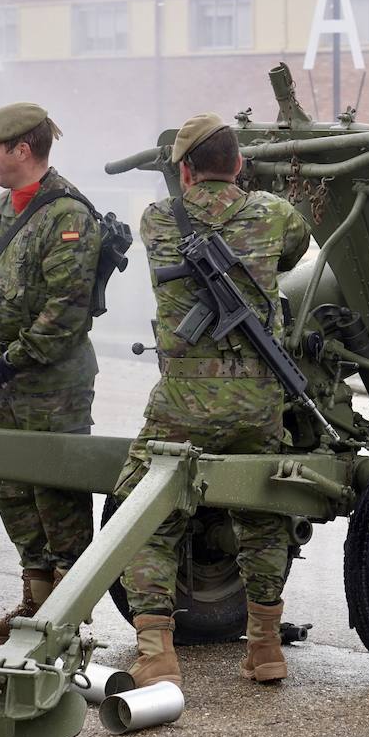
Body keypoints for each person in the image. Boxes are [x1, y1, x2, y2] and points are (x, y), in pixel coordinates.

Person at [112, 112, 311, 688]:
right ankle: (266, 644)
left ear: (183, 169)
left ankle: (155, 651)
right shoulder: (273, 214)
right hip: (259, 399)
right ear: (240, 163)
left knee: (146, 513)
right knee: (264, 512)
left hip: (183, 403)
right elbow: (293, 251)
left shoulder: (157, 219)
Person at [0, 102, 102, 644]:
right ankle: (34, 604)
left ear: (23, 150)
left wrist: (6, 361)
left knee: (57, 497)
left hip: (53, 385)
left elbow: (66, 310)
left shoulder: (68, 215)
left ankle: (66, 619)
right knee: (14, 492)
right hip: (4, 385)